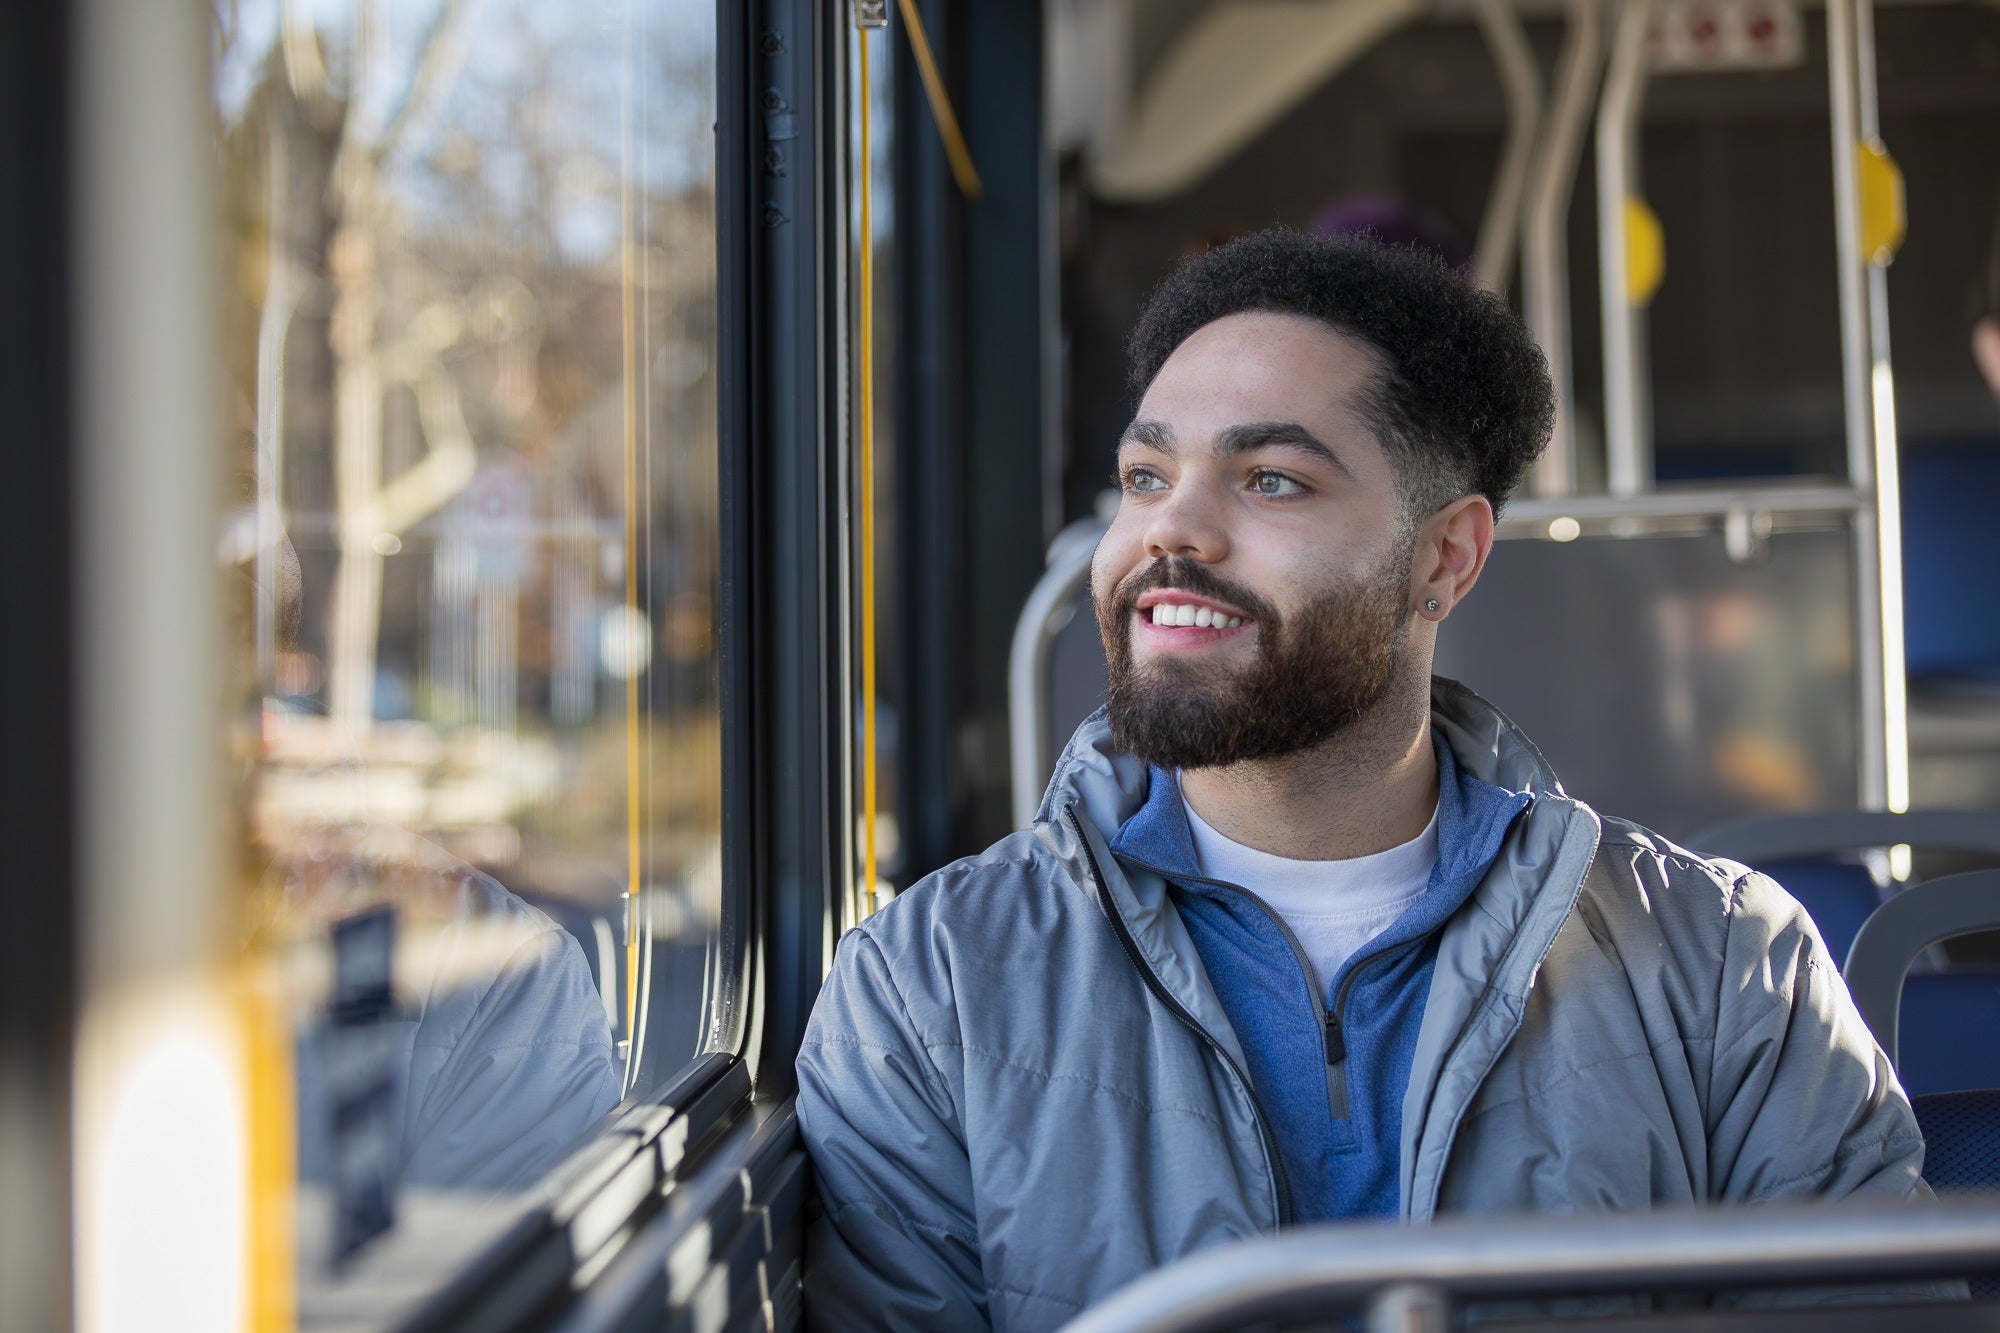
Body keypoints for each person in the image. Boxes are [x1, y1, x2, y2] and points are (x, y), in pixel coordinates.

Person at [796, 229, 1951, 1330]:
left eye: (1271, 482)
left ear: (1442, 558)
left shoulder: (1724, 964)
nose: (1171, 531)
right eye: (1144, 476)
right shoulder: (927, 991)